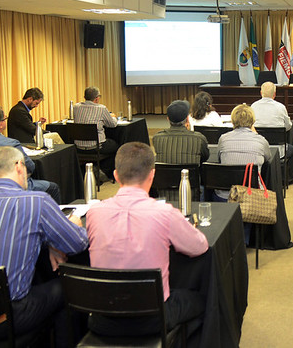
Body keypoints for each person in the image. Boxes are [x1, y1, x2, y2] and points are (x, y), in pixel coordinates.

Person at [0, 146, 87, 347]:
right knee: (68, 286)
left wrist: (49, 242)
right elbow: (76, 243)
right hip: (1, 319)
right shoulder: (36, 201)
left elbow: (5, 234)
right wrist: (74, 224)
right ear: (20, 167)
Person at [86, 142, 209, 340]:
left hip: (102, 319)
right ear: (152, 175)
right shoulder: (164, 213)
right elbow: (200, 246)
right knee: (202, 300)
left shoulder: (94, 213)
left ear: (115, 176)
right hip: (153, 319)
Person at [0, 105, 61, 203]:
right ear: (1, 124)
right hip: (10, 190)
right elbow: (30, 167)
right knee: (53, 187)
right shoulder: (11, 144)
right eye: (5, 119)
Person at [216, 104, 271, 200]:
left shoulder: (223, 139)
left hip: (226, 195)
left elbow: (219, 159)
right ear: (253, 121)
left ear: (232, 120)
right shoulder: (261, 140)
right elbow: (268, 158)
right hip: (252, 195)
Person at [73, 86, 118, 179]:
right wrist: (113, 117)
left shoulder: (76, 107)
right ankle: (104, 171)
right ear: (97, 98)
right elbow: (112, 124)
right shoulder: (101, 108)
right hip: (96, 147)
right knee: (116, 144)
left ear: (84, 97)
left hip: (78, 147)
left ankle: (93, 169)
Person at [152, 100, 209, 166]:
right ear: (187, 119)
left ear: (168, 119)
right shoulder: (199, 139)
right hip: (190, 173)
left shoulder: (157, 138)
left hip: (165, 173)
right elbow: (205, 158)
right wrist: (189, 131)